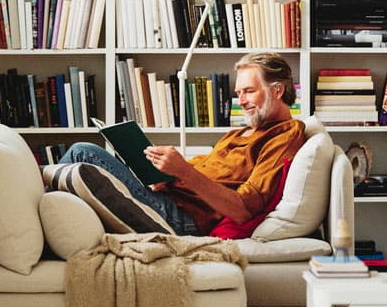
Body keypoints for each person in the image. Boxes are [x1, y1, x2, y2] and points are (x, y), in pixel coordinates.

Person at [58, 52, 306, 235]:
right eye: (238, 92)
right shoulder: (237, 134)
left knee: (85, 153)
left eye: (249, 91)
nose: (241, 101)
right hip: (166, 199)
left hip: (181, 220)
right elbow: (204, 174)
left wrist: (183, 171)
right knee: (86, 165)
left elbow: (243, 211)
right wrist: (168, 176)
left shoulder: (285, 135)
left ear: (278, 90)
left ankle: (34, 219)